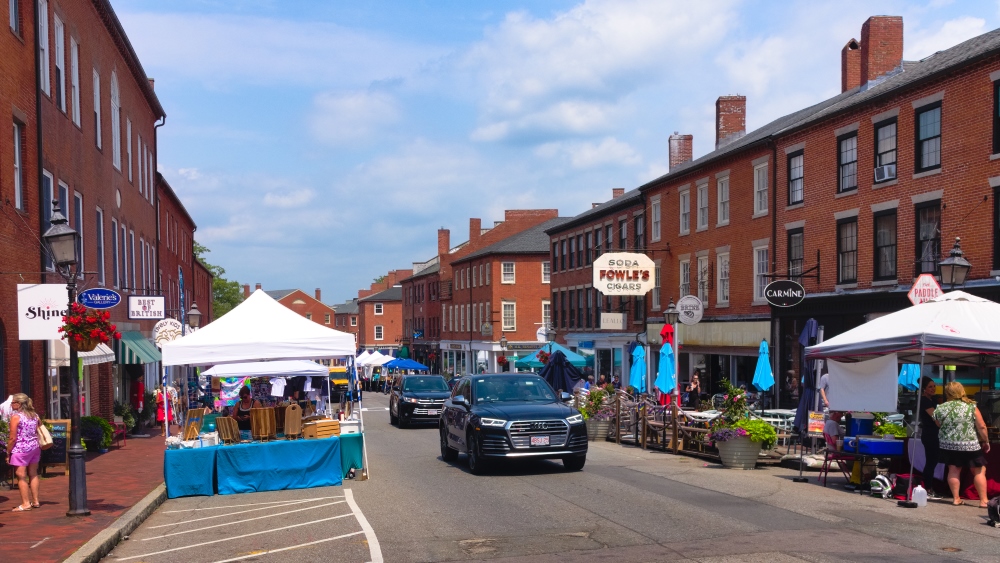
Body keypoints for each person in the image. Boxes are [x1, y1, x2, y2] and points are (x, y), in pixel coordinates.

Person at [933, 382, 990, 507]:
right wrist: (985, 440)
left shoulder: (940, 408)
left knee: (953, 469)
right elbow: (981, 426)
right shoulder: (971, 406)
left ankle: (956, 498)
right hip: (969, 444)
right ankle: (984, 501)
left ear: (947, 393)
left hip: (948, 444)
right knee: (979, 470)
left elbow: (938, 424)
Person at [6, 393, 41, 511]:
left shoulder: (16, 417)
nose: (11, 405)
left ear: (19, 404)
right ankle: (35, 501)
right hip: (34, 447)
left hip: (21, 449)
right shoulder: (35, 415)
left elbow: (12, 438)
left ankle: (26, 503)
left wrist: (8, 452)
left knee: (21, 476)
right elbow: (39, 429)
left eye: (13, 402)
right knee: (33, 473)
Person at [917, 376, 943, 499]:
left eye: (934, 386)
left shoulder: (932, 400)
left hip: (934, 434)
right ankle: (927, 488)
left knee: (933, 461)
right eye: (930, 387)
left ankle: (928, 486)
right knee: (931, 462)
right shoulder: (925, 401)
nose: (933, 389)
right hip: (930, 435)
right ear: (924, 389)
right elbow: (936, 419)